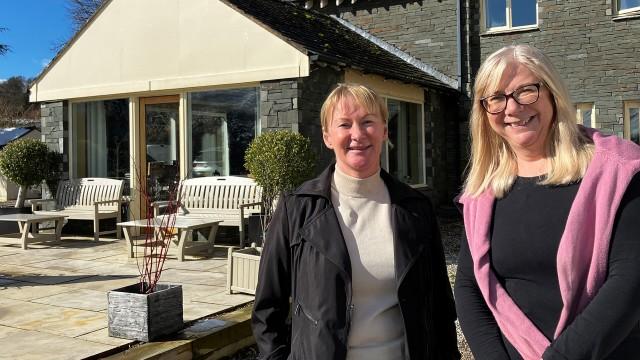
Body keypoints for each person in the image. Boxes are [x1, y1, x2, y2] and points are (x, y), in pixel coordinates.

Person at [455, 44, 640, 360]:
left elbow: (631, 281)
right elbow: (469, 288)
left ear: (552, 93)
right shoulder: (482, 193)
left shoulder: (617, 171)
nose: (511, 108)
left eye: (525, 91)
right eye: (496, 99)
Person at [252, 83, 460, 360]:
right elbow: (268, 308)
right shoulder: (297, 208)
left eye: (367, 122)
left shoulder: (415, 209)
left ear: (385, 131)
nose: (357, 134)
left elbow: (440, 306)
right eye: (344, 124)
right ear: (327, 136)